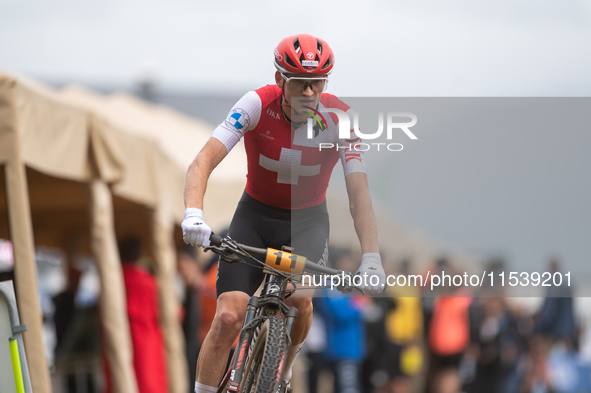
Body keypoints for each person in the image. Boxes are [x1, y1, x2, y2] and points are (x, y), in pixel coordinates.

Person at [182, 33, 385, 393]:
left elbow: (359, 195)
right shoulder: (256, 104)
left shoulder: (341, 118)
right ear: (280, 80)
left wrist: (371, 257)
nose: (310, 93)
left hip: (307, 222)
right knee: (228, 315)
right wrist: (193, 213)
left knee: (302, 300)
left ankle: (285, 366)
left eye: (317, 83)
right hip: (254, 217)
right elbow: (203, 161)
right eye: (300, 84)